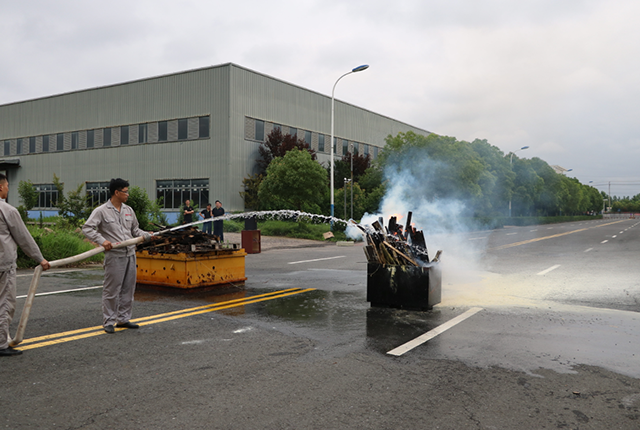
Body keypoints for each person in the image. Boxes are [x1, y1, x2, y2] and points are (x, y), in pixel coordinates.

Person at [82, 178, 150, 334]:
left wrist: (146, 235)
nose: (127, 194)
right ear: (116, 192)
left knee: (128, 288)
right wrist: (102, 241)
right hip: (114, 256)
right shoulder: (101, 211)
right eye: (125, 191)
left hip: (130, 254)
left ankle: (123, 319)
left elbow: (135, 231)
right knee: (112, 290)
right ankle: (109, 321)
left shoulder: (129, 210)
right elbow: (87, 228)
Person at [0, 173, 50, 356]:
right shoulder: (7, 210)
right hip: (3, 263)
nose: (7, 190)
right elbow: (24, 238)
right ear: (0, 187)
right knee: (4, 302)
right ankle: (1, 344)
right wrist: (40, 259)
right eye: (6, 186)